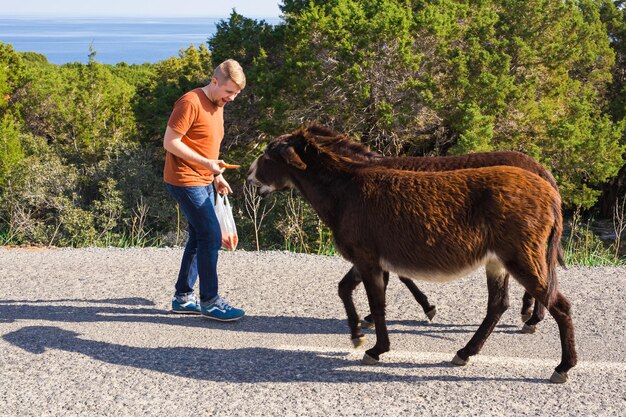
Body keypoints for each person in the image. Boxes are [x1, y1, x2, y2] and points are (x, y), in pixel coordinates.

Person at [163, 59, 245, 321]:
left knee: (199, 236)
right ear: (214, 82)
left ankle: (183, 297)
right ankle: (210, 301)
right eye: (228, 92)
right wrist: (206, 165)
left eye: (236, 94)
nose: (231, 98)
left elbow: (206, 145)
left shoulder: (217, 104)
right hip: (184, 178)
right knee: (210, 235)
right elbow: (170, 142)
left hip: (204, 178)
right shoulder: (190, 102)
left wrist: (216, 174)